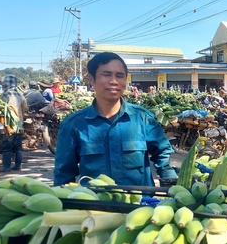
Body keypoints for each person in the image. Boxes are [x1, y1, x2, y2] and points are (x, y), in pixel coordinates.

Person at [54, 52, 177, 186]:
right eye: (106, 75)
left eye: (120, 76)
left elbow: (163, 152)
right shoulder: (74, 125)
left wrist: (169, 178)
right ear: (91, 79)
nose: (114, 81)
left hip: (140, 203)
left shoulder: (142, 118)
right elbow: (64, 174)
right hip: (95, 204)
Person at [0, 75, 28, 172]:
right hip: (19, 124)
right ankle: (18, 166)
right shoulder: (20, 94)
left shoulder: (5, 95)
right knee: (18, 147)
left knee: (6, 146)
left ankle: (6, 167)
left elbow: (0, 109)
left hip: (8, 125)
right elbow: (25, 108)